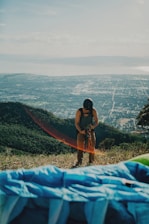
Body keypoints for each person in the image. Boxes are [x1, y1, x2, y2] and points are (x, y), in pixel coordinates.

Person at [74, 98, 99, 166]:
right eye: (85, 109)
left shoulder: (93, 111)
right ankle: (79, 161)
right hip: (81, 130)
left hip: (90, 130)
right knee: (80, 146)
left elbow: (97, 121)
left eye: (88, 110)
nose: (86, 111)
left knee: (92, 145)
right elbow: (76, 123)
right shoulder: (79, 111)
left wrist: (93, 127)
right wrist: (80, 131)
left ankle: (91, 162)